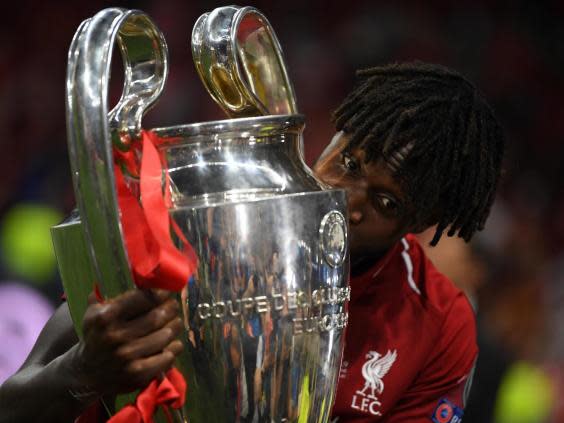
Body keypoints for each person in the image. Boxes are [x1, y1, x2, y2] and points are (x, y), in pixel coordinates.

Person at [0, 61, 505, 422]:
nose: (347, 201)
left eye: (385, 204)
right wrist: (84, 371)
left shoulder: (437, 324)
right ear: (333, 133)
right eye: (348, 163)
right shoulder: (183, 227)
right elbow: (12, 405)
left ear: (420, 222)